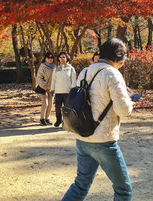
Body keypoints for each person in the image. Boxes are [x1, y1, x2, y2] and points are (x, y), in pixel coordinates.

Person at [62, 38, 134, 201]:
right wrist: (131, 102)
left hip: (83, 136)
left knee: (80, 185)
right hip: (104, 140)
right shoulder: (113, 74)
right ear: (119, 57)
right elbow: (123, 110)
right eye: (124, 58)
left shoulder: (85, 72)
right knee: (124, 190)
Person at [51, 51, 76, 127]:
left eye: (63, 57)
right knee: (57, 108)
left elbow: (74, 80)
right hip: (58, 92)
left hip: (67, 92)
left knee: (67, 109)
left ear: (67, 58)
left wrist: (73, 90)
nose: (62, 59)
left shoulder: (71, 68)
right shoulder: (56, 68)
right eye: (60, 57)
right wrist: (52, 89)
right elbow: (53, 80)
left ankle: (67, 122)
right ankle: (58, 120)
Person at [35, 52, 55, 126]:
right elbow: (39, 78)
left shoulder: (54, 67)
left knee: (50, 104)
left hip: (51, 88)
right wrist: (45, 86)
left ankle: (47, 118)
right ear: (45, 58)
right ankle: (42, 118)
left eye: (51, 57)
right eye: (48, 57)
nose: (50, 59)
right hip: (43, 88)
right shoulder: (42, 66)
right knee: (45, 104)